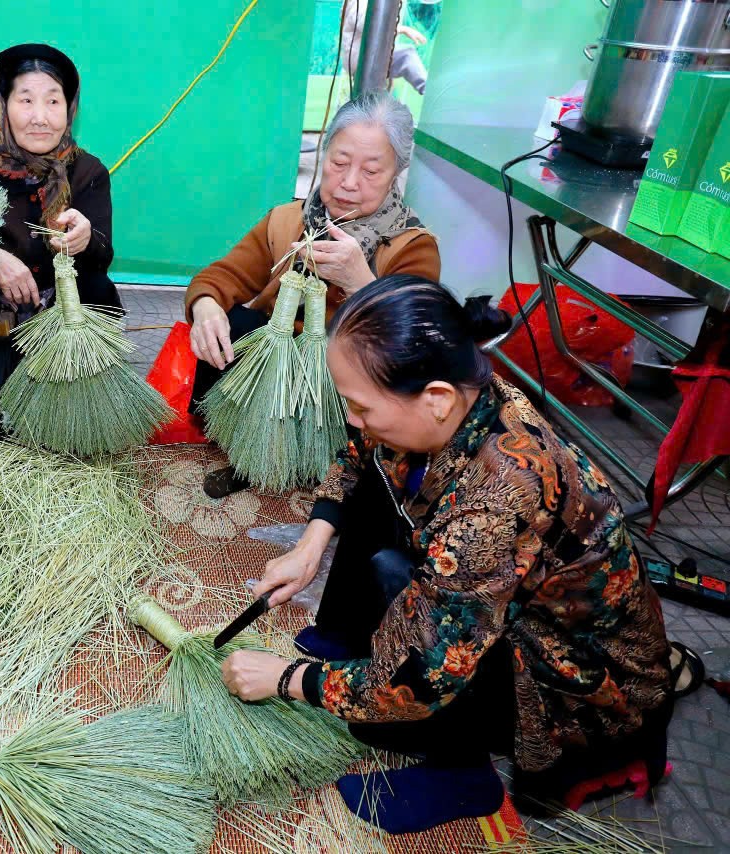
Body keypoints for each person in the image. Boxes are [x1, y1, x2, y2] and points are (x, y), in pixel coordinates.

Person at [220, 276, 695, 833]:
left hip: (582, 684)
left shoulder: (495, 502)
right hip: (509, 601)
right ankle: (356, 649)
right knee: (386, 513)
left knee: (401, 663)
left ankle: (463, 774)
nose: (351, 417)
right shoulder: (459, 401)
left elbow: (421, 677)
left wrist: (288, 679)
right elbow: (359, 452)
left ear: (437, 398)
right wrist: (310, 546)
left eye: (357, 403)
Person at [186, 91, 440, 497]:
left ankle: (333, 468)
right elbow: (223, 275)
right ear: (323, 155)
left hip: (345, 383)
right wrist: (205, 306)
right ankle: (245, 448)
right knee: (234, 324)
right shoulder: (288, 220)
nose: (349, 183)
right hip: (279, 367)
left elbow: (418, 343)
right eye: (339, 163)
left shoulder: (411, 245)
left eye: (372, 171)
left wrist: (361, 281)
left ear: (397, 173)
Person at [0, 43, 118, 422]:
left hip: (56, 301)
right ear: (2, 106)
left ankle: (68, 372)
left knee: (98, 288)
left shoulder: (88, 171)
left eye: (53, 102)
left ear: (70, 108)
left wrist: (85, 238)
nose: (40, 117)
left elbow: (103, 251)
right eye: (26, 100)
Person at [340, 0, 433, 96]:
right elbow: (367, 24)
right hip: (361, 58)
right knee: (406, 55)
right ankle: (429, 92)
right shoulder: (358, 2)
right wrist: (403, 29)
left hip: (365, 56)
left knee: (379, 100)